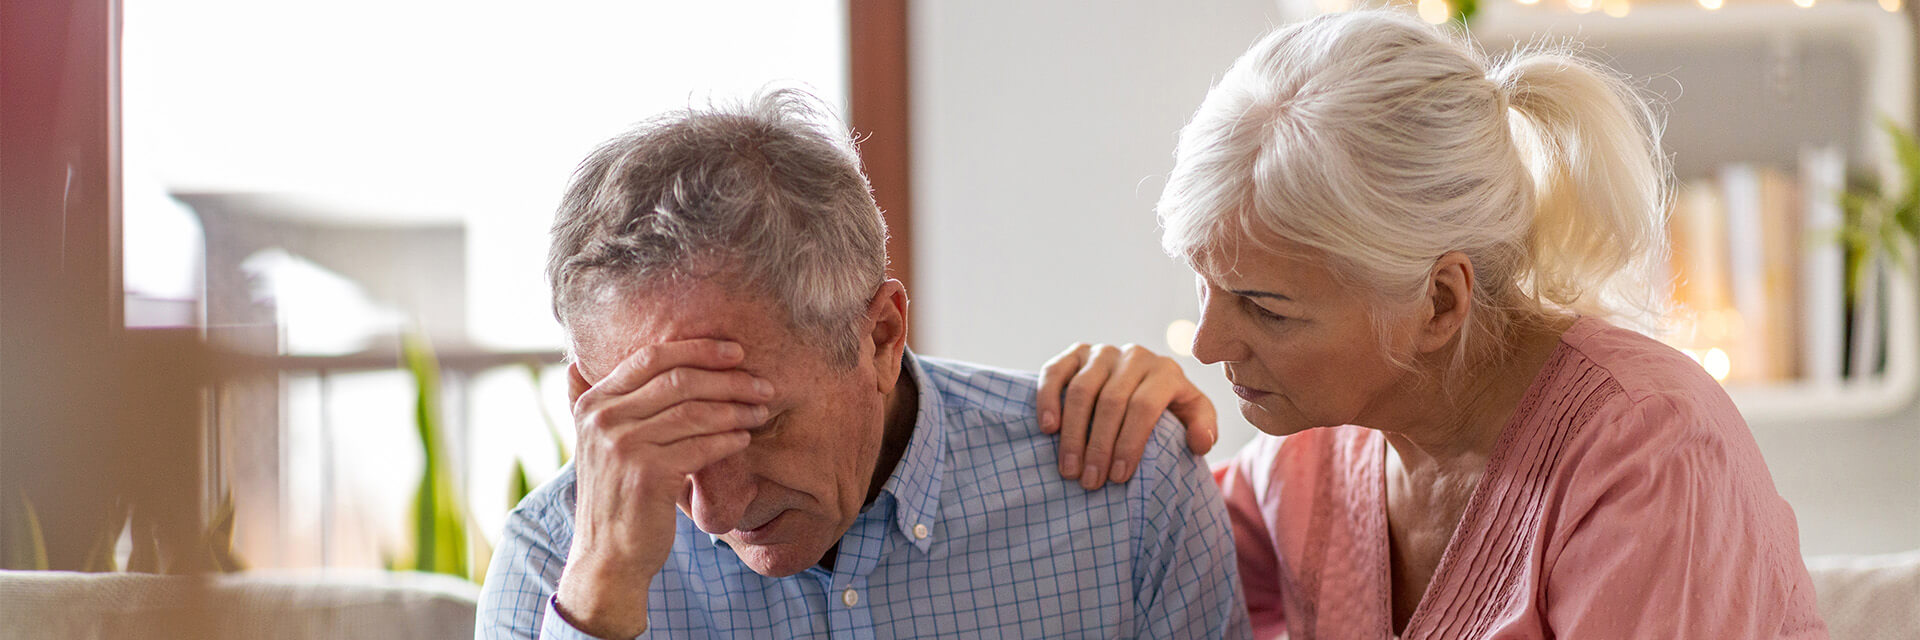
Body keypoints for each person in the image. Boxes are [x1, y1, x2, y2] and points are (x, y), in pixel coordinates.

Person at [1036, 10, 1828, 639]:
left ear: (1441, 302)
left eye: (1265, 307)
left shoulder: (1651, 449)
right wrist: (1122, 423)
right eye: (1206, 286)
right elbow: (1112, 579)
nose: (1206, 346)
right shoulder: (1313, 456)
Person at [475, 89, 1249, 640]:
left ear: (879, 335)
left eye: (755, 426)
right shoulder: (556, 565)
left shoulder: (1127, 495)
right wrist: (601, 597)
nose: (713, 512)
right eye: (670, 440)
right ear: (589, 398)